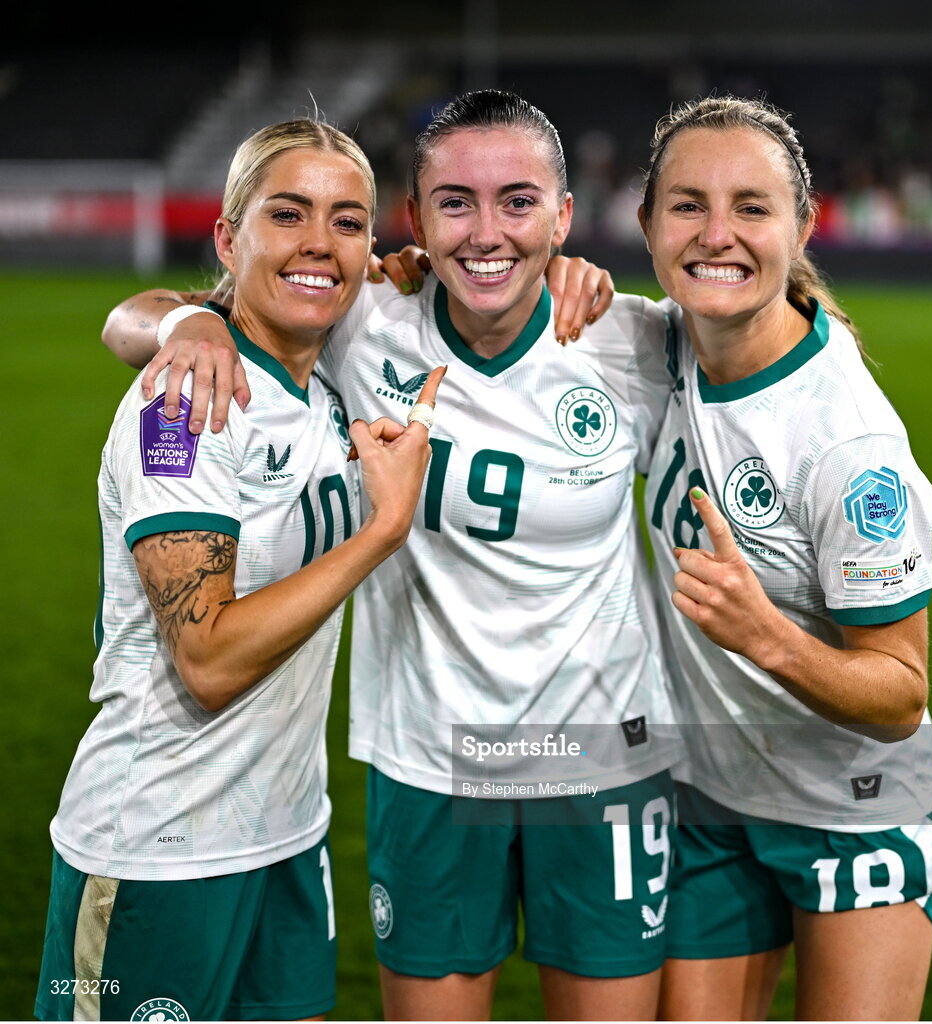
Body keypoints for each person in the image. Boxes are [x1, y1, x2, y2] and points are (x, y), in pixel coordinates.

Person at [98, 91, 682, 1022]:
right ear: (415, 220)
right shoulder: (362, 315)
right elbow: (134, 319)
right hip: (430, 761)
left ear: (565, 217)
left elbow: (773, 339)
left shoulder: (634, 345)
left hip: (601, 761)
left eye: (519, 201)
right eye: (456, 202)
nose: (486, 230)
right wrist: (188, 325)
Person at [36, 118, 444, 1023]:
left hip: (287, 838)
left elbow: (148, 310)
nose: (318, 245)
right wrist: (379, 530)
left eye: (347, 223)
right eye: (288, 215)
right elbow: (209, 659)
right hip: (157, 849)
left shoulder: (325, 369)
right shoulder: (185, 403)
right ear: (229, 236)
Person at [633, 96, 932, 1020]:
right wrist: (198, 316)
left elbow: (899, 694)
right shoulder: (659, 345)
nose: (716, 234)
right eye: (688, 204)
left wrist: (764, 635)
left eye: (752, 207)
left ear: (802, 225)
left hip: (857, 807)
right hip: (713, 798)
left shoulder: (848, 448)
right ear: (648, 221)